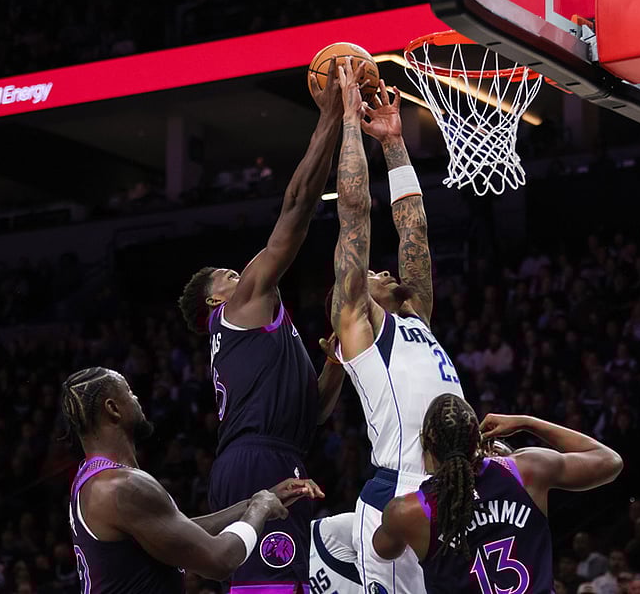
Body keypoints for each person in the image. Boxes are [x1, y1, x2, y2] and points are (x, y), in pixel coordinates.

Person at [176, 58, 350, 592]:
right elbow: (296, 208)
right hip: (256, 459)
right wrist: (330, 119)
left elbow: (313, 411)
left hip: (276, 450)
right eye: (230, 273)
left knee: (283, 584)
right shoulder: (240, 307)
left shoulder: (259, 334)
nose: (243, 271)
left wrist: (335, 359)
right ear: (214, 300)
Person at [327, 63, 465, 592]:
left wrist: (393, 142)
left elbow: (415, 230)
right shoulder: (357, 326)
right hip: (396, 493)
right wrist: (346, 122)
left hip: (451, 486)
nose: (383, 270)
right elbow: (355, 216)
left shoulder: (416, 318)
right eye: (372, 272)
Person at [59, 367, 323, 594]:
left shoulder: (92, 479)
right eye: (128, 391)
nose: (136, 397)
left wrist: (255, 500)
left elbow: (178, 530)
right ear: (113, 409)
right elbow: (220, 560)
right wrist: (260, 510)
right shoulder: (122, 487)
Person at [371, 394, 623, 594]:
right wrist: (527, 422)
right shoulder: (525, 470)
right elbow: (610, 461)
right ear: (478, 440)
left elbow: (382, 551)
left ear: (425, 441)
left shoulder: (408, 511)